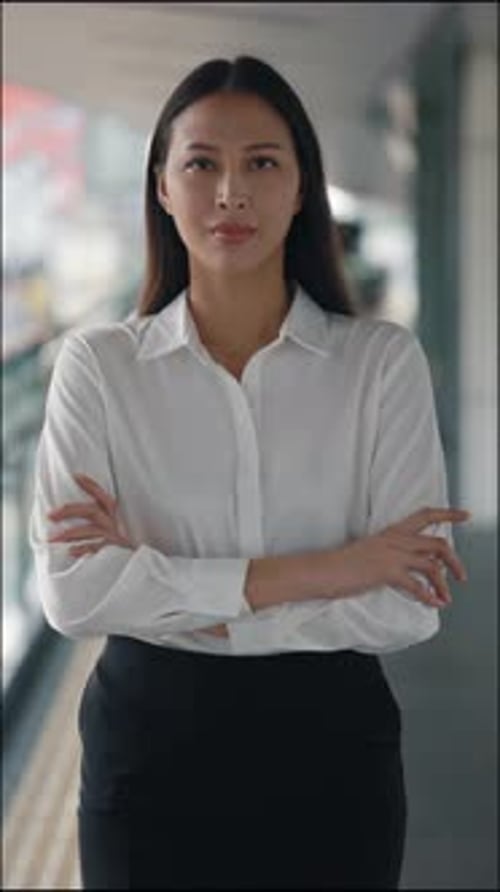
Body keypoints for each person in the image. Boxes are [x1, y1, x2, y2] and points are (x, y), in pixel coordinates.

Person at [29, 55, 471, 890]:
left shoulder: (380, 364)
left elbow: (406, 606)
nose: (231, 192)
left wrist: (170, 589)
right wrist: (337, 568)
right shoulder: (100, 367)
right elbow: (75, 593)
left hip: (333, 752)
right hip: (148, 755)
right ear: (162, 187)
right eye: (202, 164)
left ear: (303, 187)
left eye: (262, 163)